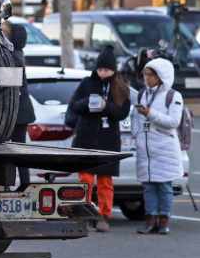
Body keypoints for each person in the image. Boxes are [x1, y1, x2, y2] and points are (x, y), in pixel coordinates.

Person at [68, 46, 131, 232]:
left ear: (113, 70)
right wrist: (88, 103)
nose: (103, 73)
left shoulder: (120, 86)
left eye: (107, 70)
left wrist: (106, 107)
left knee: (105, 181)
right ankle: (85, 212)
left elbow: (122, 112)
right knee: (85, 179)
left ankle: (104, 215)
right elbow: (74, 105)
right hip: (86, 137)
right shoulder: (87, 83)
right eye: (100, 69)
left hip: (108, 139)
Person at [132, 57, 183, 235]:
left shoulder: (173, 96)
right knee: (148, 187)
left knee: (164, 186)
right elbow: (135, 117)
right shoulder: (142, 94)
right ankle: (150, 220)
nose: (147, 78)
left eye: (151, 75)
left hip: (164, 148)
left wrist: (150, 113)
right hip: (145, 149)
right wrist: (136, 134)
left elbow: (173, 122)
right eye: (145, 74)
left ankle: (163, 221)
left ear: (161, 76)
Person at [4, 22, 35, 188]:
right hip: (21, 112)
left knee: (11, 149)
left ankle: (17, 183)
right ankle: (24, 182)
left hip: (16, 112)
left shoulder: (13, 56)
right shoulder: (18, 54)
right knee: (18, 149)